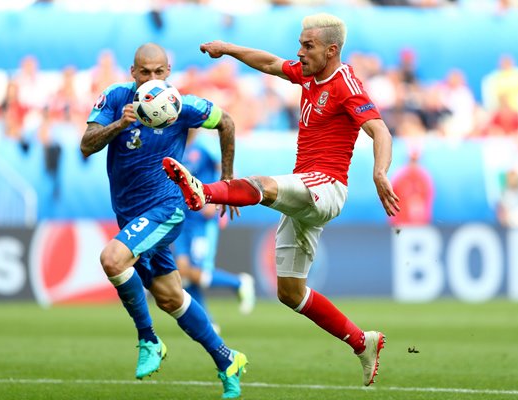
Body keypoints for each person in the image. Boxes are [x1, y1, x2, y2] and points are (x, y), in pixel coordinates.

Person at [163, 13, 400, 386]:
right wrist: (227, 49)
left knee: (264, 185)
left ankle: (203, 191)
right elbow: (271, 63)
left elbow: (380, 131)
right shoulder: (309, 72)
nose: (300, 52)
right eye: (301, 44)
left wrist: (380, 171)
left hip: (326, 186)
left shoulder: (346, 83)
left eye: (308, 46)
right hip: (305, 191)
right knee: (289, 293)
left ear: (331, 49)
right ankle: (362, 341)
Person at [80, 43, 247, 399]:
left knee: (112, 259)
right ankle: (227, 359)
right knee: (170, 297)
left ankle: (149, 340)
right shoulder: (115, 98)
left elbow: (227, 122)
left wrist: (228, 184)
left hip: (167, 208)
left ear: (168, 71)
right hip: (128, 212)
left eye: (159, 72)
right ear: (133, 72)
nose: (152, 79)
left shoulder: (183, 106)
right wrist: (118, 124)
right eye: (145, 72)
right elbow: (86, 145)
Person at [172, 128, 256, 330]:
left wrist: (216, 198)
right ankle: (207, 322)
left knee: (198, 272)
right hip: (181, 218)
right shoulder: (176, 148)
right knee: (183, 271)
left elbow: (225, 167)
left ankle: (238, 283)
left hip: (201, 220)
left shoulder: (204, 146)